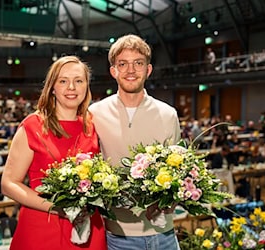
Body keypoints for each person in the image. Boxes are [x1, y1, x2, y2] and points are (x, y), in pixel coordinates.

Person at [1, 55, 107, 250]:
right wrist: (58, 208)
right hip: (42, 227)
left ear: (86, 86)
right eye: (63, 81)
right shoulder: (32, 126)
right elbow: (8, 184)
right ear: (52, 87)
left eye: (78, 81)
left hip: (88, 229)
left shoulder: (93, 124)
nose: (71, 88)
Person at [89, 34, 181, 250]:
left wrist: (169, 202)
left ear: (148, 70)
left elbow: (178, 172)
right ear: (113, 71)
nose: (131, 70)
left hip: (164, 235)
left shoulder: (168, 114)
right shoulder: (94, 113)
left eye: (138, 63)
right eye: (123, 64)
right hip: (118, 237)